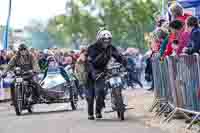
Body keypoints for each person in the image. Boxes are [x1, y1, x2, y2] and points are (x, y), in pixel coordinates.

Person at [86, 29, 127, 120]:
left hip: (103, 70)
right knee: (90, 95)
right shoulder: (92, 48)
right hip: (91, 71)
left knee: (101, 91)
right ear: (99, 39)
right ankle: (90, 113)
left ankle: (98, 110)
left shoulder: (111, 48)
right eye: (104, 39)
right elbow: (89, 63)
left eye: (108, 39)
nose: (106, 41)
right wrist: (94, 73)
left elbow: (118, 56)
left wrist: (124, 62)